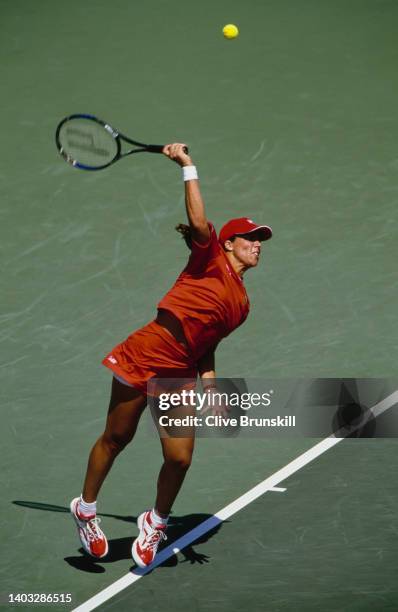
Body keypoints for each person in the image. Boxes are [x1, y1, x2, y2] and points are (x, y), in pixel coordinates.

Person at [70, 143, 272, 567]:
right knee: (116, 438)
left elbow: (206, 343)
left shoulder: (243, 305)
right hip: (143, 355)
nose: (258, 244)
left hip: (178, 374)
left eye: (261, 240)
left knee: (179, 459)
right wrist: (187, 165)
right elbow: (198, 220)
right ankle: (85, 510)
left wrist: (211, 385)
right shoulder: (208, 258)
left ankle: (156, 521)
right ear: (229, 243)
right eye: (251, 238)